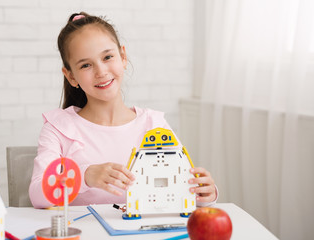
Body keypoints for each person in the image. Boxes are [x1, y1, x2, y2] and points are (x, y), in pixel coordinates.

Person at [29, 12, 218, 209]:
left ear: (123, 57)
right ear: (71, 76)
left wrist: (205, 194)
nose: (101, 72)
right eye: (86, 65)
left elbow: (181, 188)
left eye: (108, 57)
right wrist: (84, 175)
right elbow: (36, 195)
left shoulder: (153, 124)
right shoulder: (58, 128)